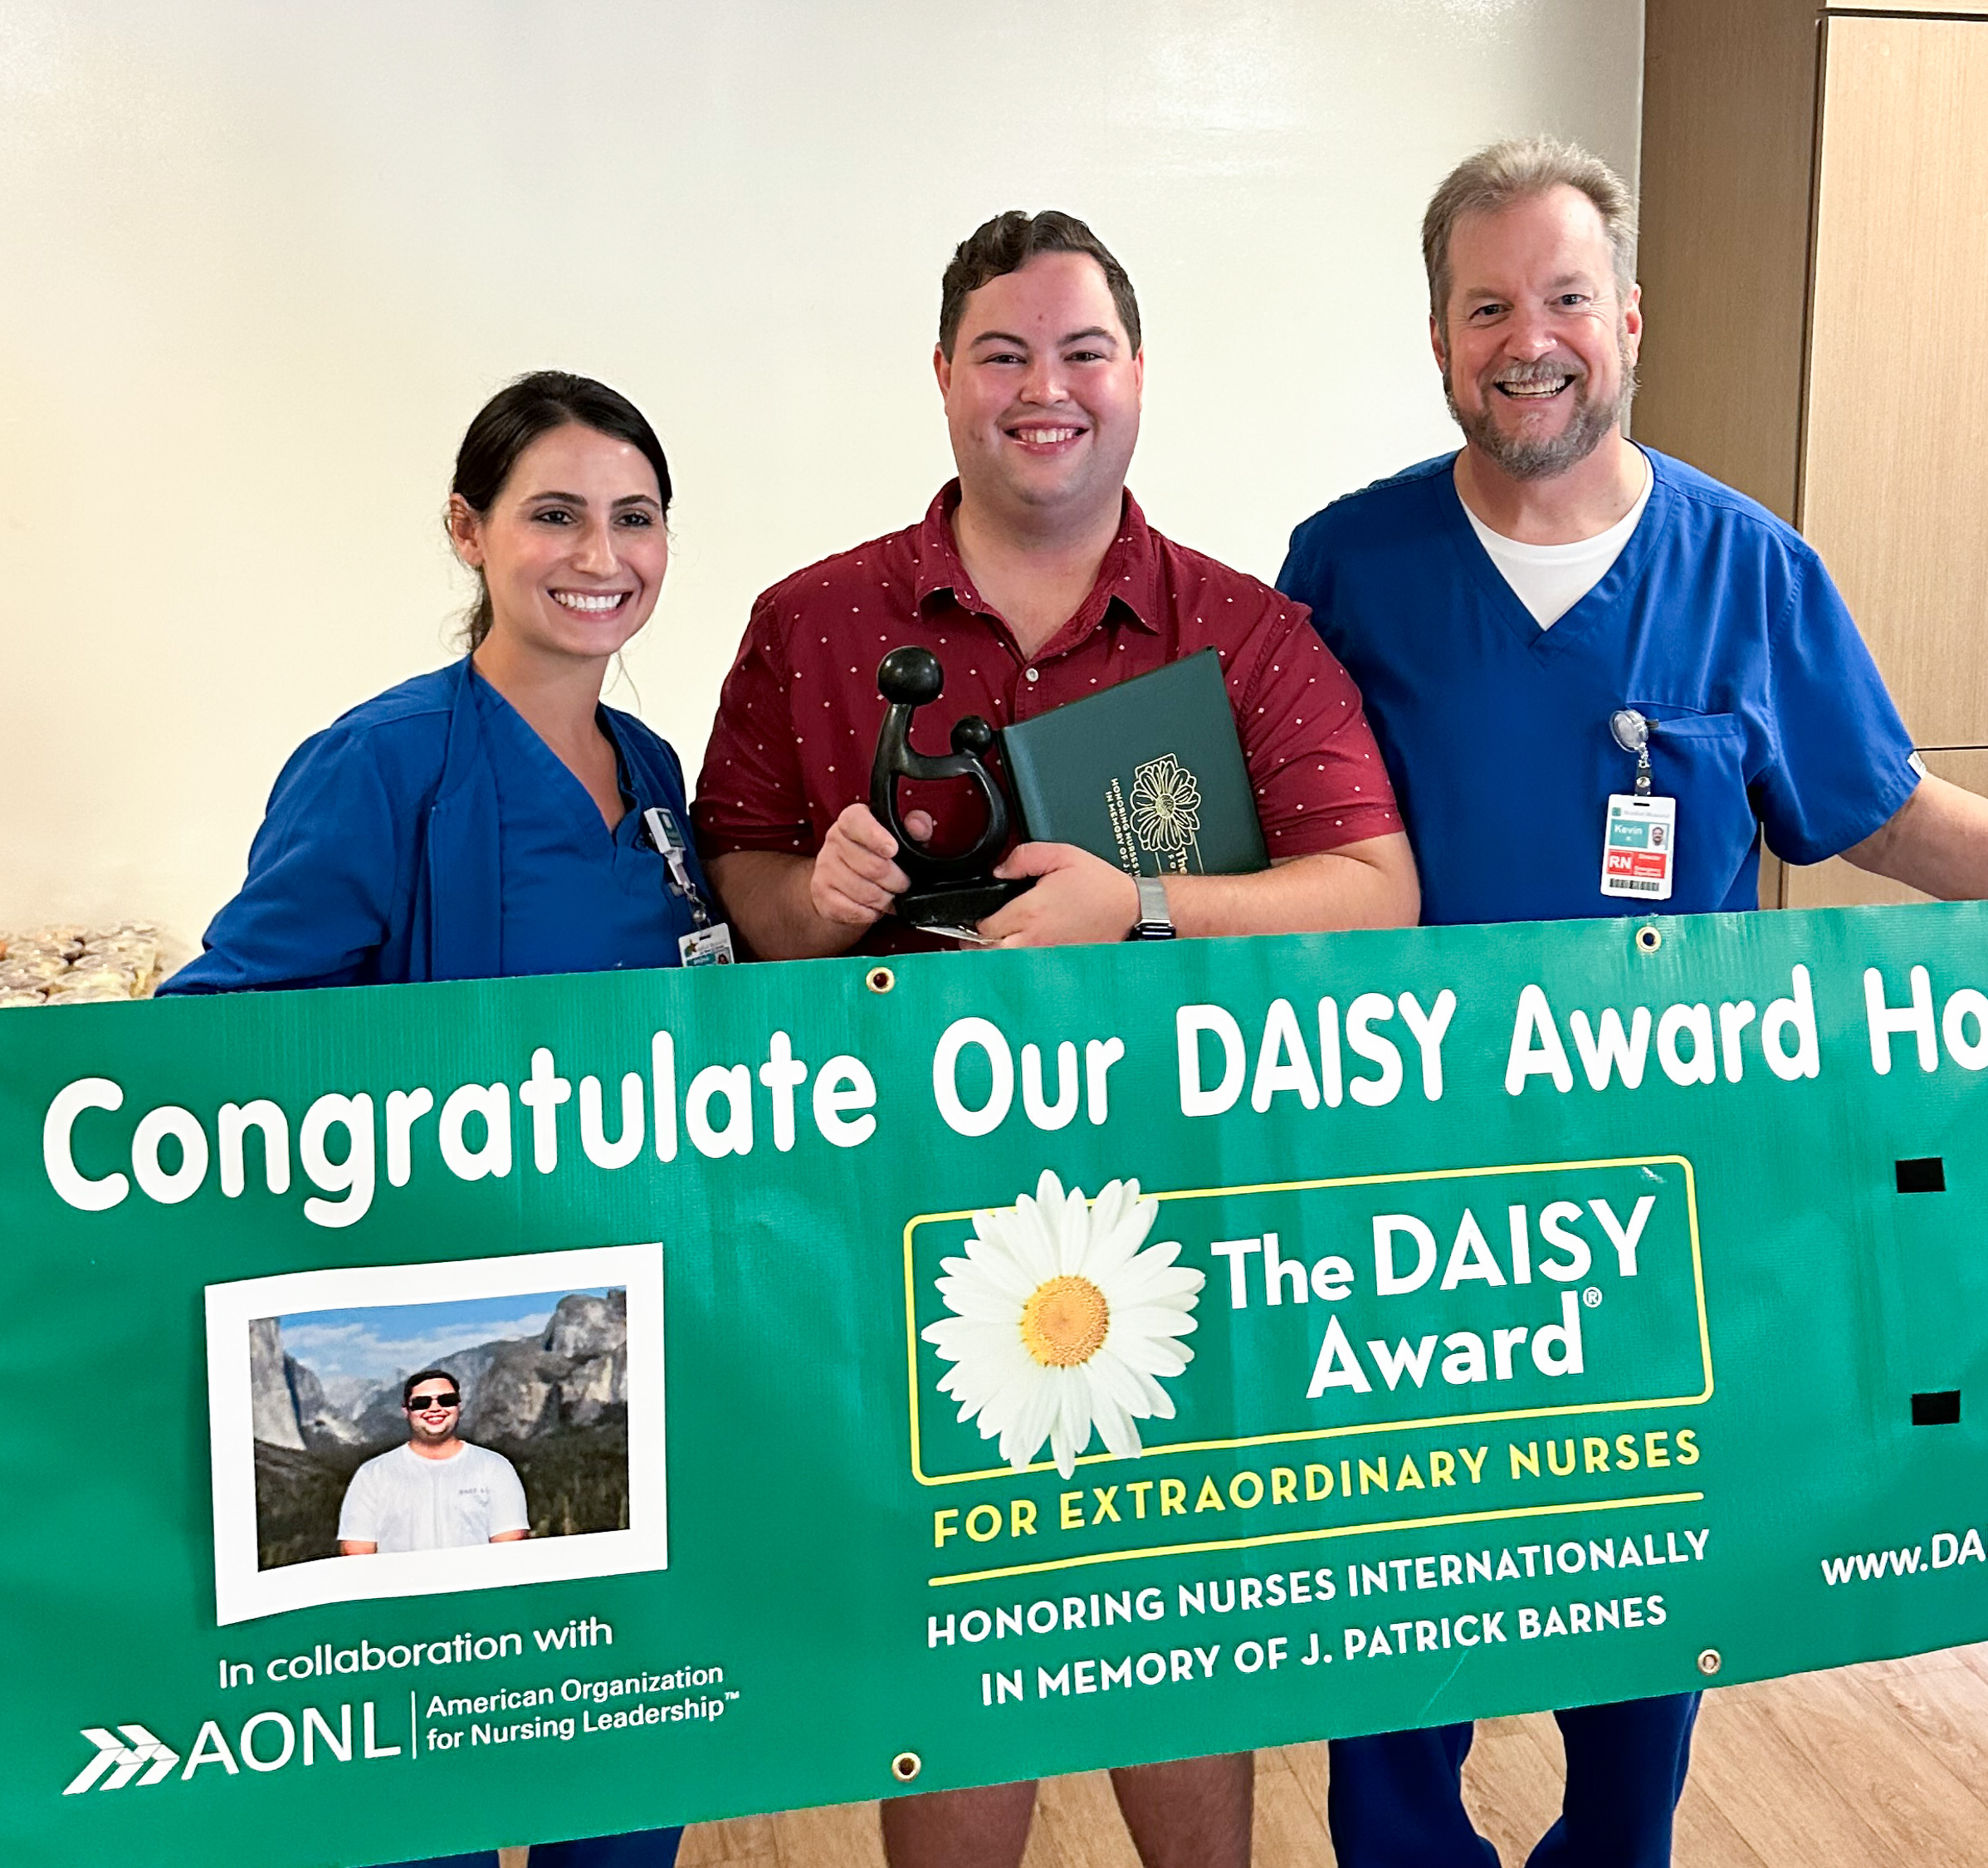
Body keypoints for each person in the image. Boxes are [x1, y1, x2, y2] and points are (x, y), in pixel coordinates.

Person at [1277, 137, 1988, 1868]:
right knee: (1403, 1625)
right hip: (1412, 1226)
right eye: (1489, 306)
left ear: (1628, 321)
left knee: (1645, 1627)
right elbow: (1281, 856)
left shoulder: (1750, 571)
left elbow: (1884, 813)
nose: (1529, 338)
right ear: (1438, 339)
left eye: (1565, 298)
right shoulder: (1343, 570)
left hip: (1669, 1226)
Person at [694, 210, 1417, 1867]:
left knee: (1176, 1622)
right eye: (1004, 354)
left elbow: (1375, 891)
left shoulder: (1246, 633)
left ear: (1138, 374)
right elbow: (734, 871)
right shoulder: (811, 625)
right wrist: (812, 898)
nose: (1047, 390)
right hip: (898, 1224)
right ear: (944, 378)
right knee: (949, 1620)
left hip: (1182, 1214)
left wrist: (1144, 903)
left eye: (1083, 351)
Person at [168, 369, 702, 1868]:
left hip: (622, 1344)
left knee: (618, 1755)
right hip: (429, 1333)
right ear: (468, 531)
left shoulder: (655, 781)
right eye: (554, 515)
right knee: (433, 1789)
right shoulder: (384, 764)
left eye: (635, 518)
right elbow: (215, 1030)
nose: (601, 555)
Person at [338, 1371, 530, 1555]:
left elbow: (510, 1549)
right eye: (422, 1403)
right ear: (406, 1410)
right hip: (404, 1588)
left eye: (447, 1400)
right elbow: (357, 1552)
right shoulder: (372, 1475)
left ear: (459, 1406)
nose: (435, 1408)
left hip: (475, 1588)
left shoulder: (496, 1468)